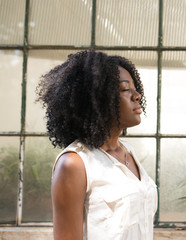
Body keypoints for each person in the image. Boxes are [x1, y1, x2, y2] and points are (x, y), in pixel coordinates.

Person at [36, 50, 157, 240]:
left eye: (135, 88)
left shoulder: (128, 152)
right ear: (99, 100)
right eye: (125, 89)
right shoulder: (74, 163)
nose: (137, 96)